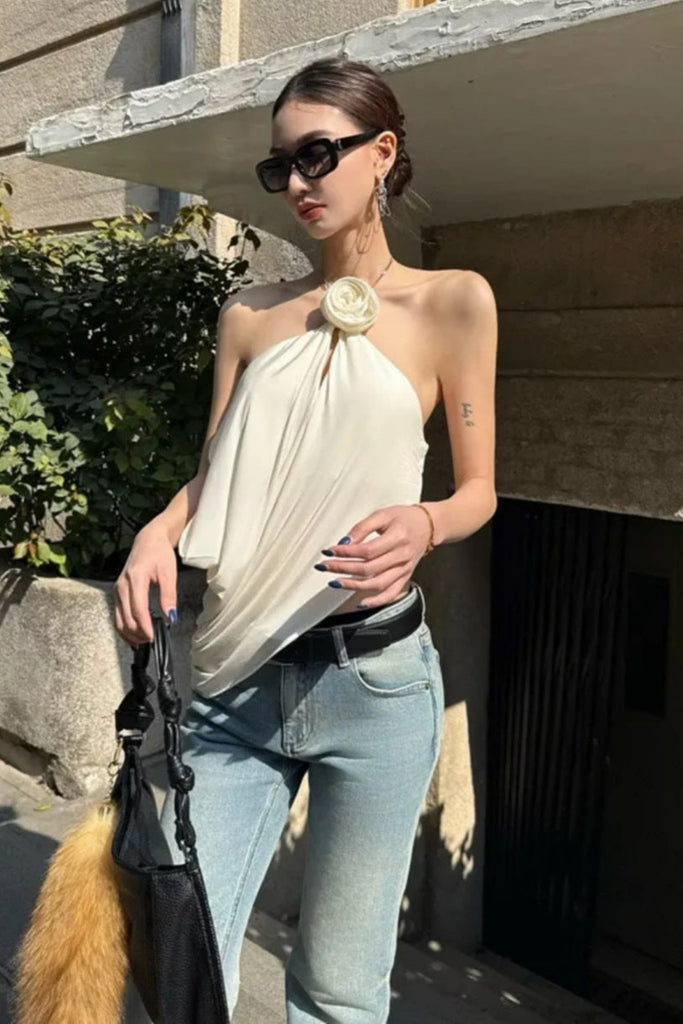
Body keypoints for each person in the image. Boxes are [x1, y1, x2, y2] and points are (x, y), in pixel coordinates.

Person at [114, 55, 497, 1024]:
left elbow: (478, 491)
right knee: (183, 961)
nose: (295, 182)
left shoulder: (453, 303)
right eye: (279, 165)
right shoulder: (249, 315)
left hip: (374, 685)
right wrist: (158, 531)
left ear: (382, 152)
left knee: (336, 988)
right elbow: (215, 473)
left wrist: (424, 521)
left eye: (317, 155)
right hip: (236, 677)